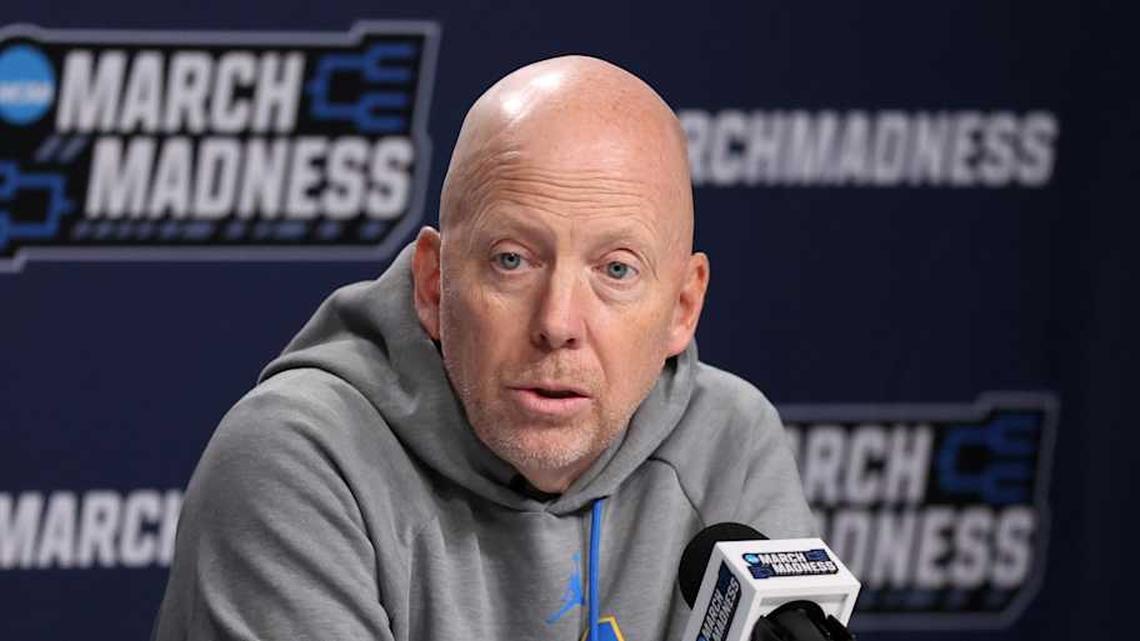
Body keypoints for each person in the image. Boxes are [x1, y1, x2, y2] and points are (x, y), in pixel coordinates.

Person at [152, 55, 814, 641]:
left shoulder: (731, 445)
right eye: (512, 259)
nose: (558, 322)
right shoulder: (299, 458)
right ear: (435, 283)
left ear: (682, 307)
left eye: (615, 270)